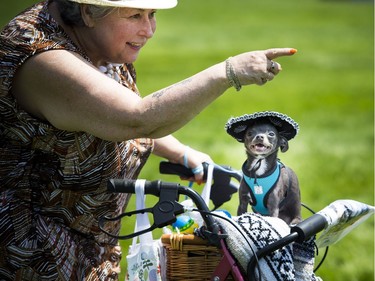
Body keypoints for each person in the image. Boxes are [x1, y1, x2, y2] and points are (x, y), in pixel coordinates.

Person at [0, 0, 297, 280]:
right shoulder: (39, 57)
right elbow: (133, 117)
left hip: (89, 244)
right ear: (88, 12)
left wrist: (181, 153)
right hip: (31, 253)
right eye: (135, 15)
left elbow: (109, 116)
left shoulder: (99, 41)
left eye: (152, 14)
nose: (149, 30)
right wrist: (228, 72)